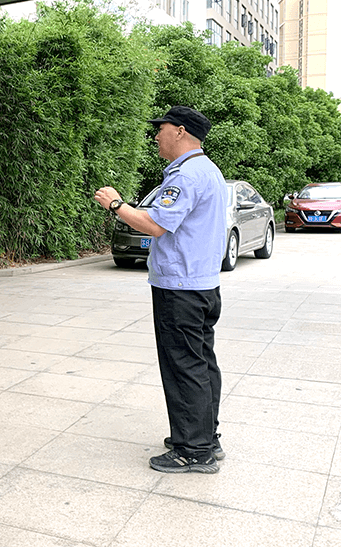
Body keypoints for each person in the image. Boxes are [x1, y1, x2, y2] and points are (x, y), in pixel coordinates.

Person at [94, 105, 226, 474]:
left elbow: (153, 224)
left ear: (180, 132)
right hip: (202, 285)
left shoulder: (186, 176)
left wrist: (116, 204)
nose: (156, 136)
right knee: (201, 363)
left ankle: (194, 451)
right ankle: (205, 436)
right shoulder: (209, 171)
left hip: (180, 288)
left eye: (161, 129)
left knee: (183, 366)